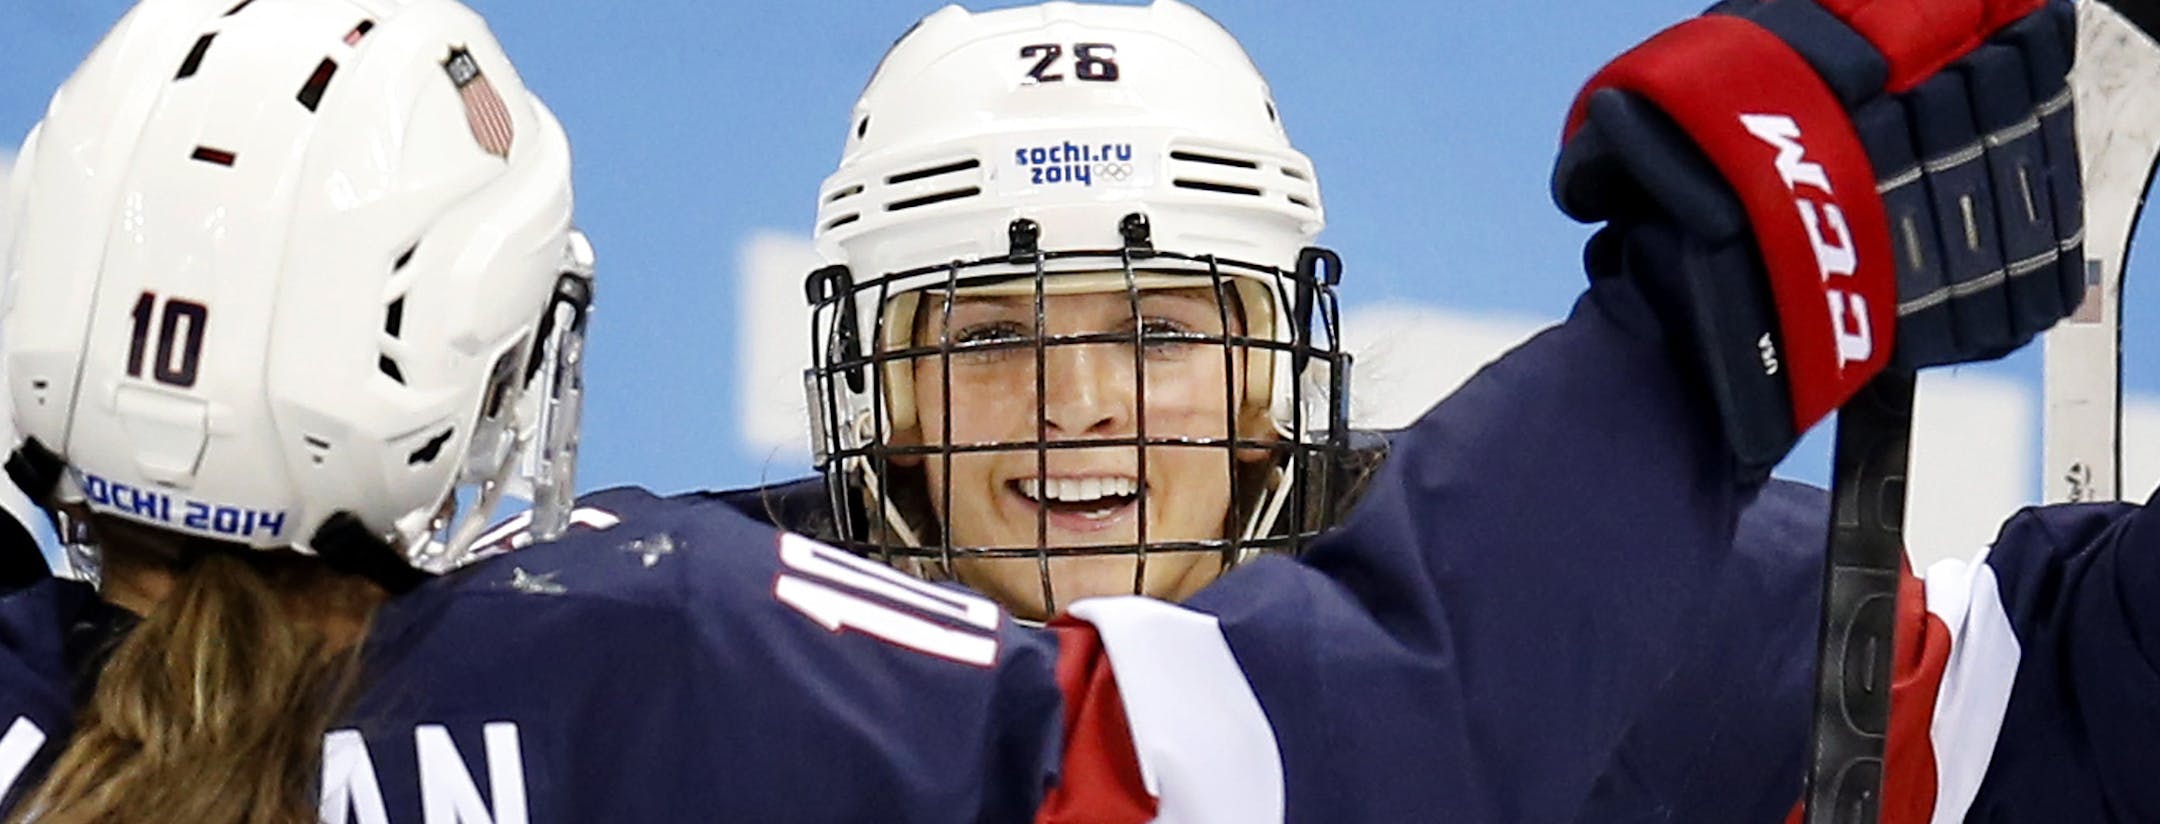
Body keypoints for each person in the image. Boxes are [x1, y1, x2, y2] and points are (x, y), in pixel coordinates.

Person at [0, 2, 2114, 824]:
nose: (1081, 412)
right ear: (875, 389)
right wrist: (1714, 320)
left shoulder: (1661, 618)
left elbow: (2069, 693)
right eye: (990, 340)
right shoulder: (686, 650)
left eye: (1164, 329)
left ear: (1279, 348)